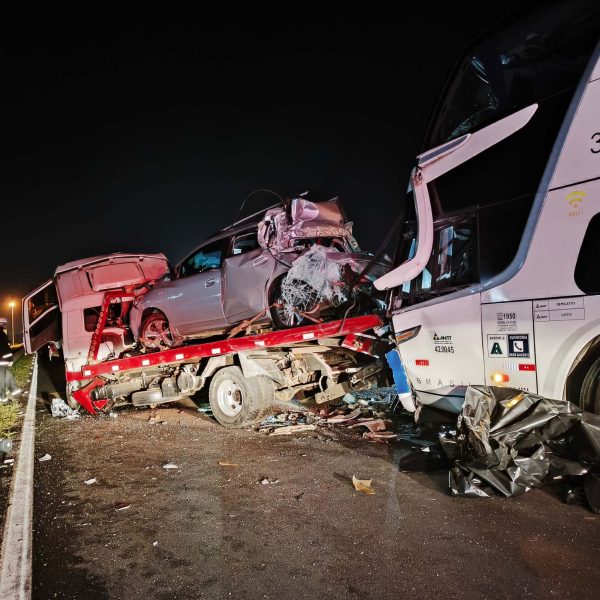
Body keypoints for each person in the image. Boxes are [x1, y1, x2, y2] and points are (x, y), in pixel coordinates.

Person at [0, 317, 21, 402]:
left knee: (8, 376)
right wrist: (10, 359)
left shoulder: (1, 333)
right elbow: (5, 348)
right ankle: (3, 399)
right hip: (1, 361)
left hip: (2, 361)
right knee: (1, 381)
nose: (4, 325)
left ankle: (16, 391)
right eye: (3, 323)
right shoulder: (1, 334)